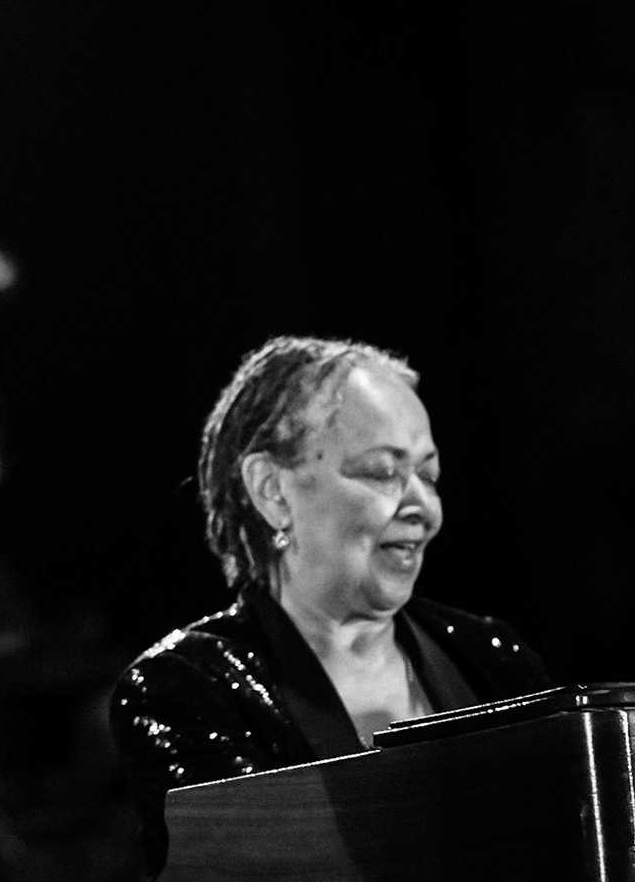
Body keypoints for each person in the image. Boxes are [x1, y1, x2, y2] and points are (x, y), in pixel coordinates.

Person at [109, 336, 553, 870]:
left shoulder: (492, 659)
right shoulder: (186, 689)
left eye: (429, 476)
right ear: (273, 491)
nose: (423, 508)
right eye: (383, 472)